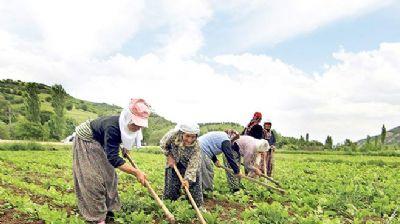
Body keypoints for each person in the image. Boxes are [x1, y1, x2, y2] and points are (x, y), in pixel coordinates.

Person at [73, 99, 150, 224]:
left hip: (101, 140)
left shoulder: (133, 127)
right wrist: (136, 172)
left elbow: (127, 137)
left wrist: (126, 148)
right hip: (87, 139)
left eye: (140, 125)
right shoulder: (113, 127)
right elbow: (113, 158)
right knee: (92, 178)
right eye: (135, 124)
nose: (138, 127)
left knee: (109, 176)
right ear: (128, 119)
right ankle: (97, 217)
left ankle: (109, 209)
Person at [160, 123, 204, 210]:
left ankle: (198, 206)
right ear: (182, 133)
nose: (190, 140)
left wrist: (187, 179)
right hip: (174, 161)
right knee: (171, 184)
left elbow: (193, 165)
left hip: (189, 165)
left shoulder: (196, 146)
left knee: (194, 185)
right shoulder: (172, 136)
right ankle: (169, 205)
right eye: (187, 136)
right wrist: (169, 155)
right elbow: (163, 145)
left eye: (193, 137)